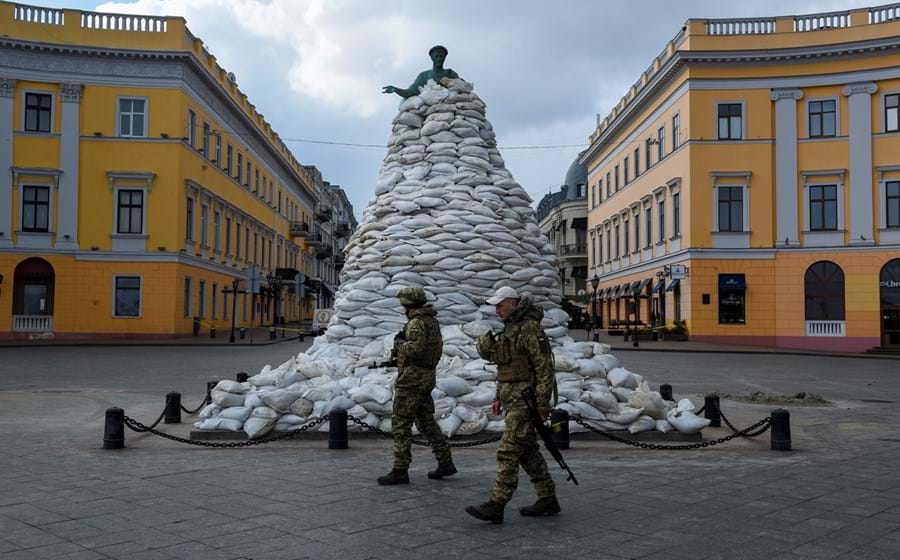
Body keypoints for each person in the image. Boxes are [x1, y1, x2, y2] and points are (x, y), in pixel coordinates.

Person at [466, 286, 559, 524]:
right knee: (527, 453)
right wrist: (499, 396)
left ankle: (497, 504)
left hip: (526, 403)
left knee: (507, 451)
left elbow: (544, 367)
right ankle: (547, 497)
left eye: (500, 305)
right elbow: (506, 367)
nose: (497, 310)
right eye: (495, 306)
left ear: (514, 304)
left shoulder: (528, 328)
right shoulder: (510, 329)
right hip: (514, 399)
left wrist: (541, 403)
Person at [378, 287, 456, 485]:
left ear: (407, 304)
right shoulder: (431, 321)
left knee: (401, 423)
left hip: (412, 379)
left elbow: (416, 348)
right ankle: (445, 462)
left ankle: (400, 469)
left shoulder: (415, 323)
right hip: (426, 377)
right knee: (426, 422)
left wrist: (399, 345)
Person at [382, 45, 460, 99]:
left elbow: (462, 88)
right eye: (436, 56)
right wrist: (395, 89)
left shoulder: (451, 74)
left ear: (445, 57)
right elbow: (409, 92)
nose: (439, 59)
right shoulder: (424, 76)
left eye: (441, 56)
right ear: (431, 58)